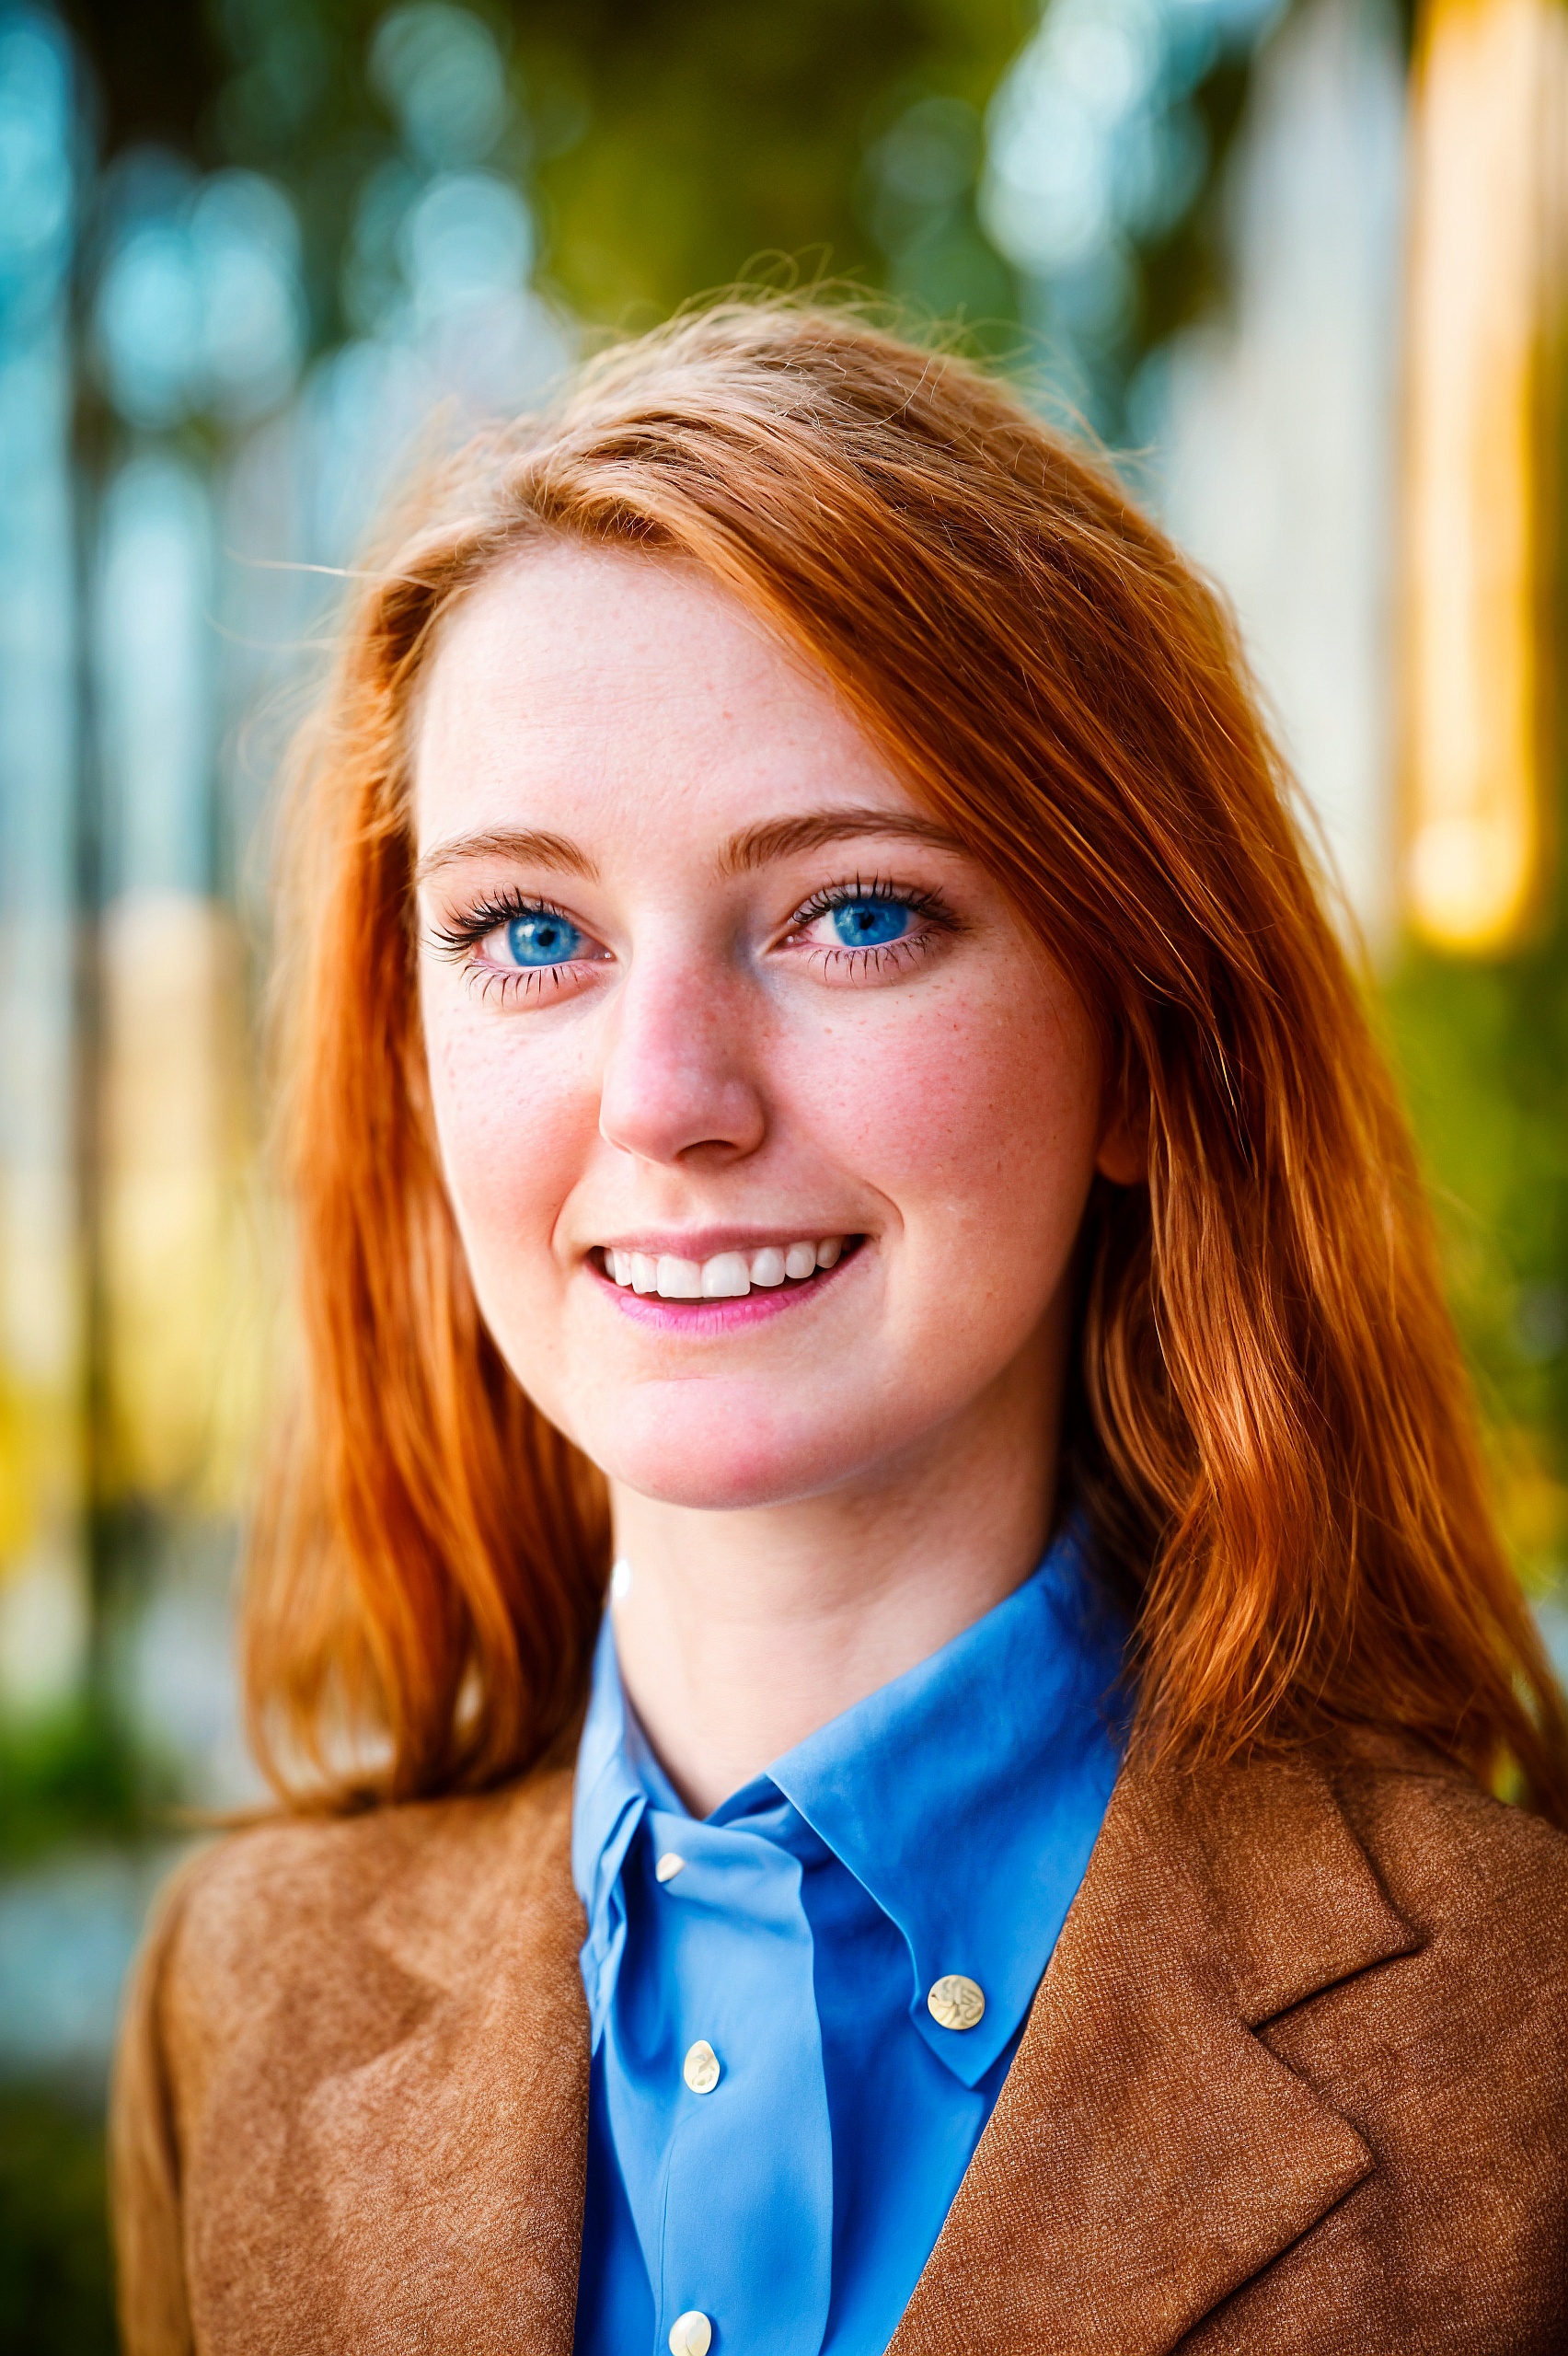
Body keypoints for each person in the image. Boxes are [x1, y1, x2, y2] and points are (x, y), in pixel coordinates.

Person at [112, 303, 1568, 2356]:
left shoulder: (1532, 2047)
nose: (665, 1095)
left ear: (1149, 1046)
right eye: (532, 933)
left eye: (855, 910)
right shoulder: (233, 2003)